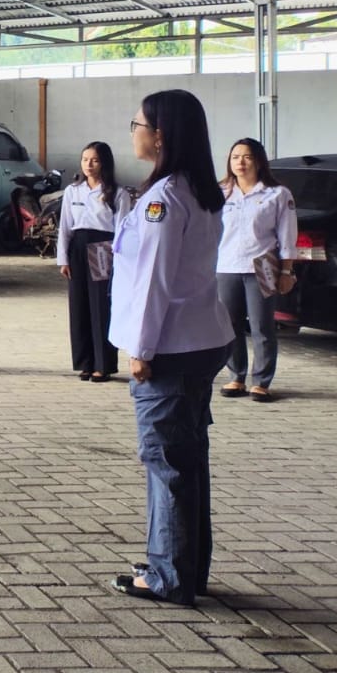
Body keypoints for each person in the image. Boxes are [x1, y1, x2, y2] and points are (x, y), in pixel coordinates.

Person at [108, 89, 234, 606]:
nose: (133, 132)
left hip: (171, 347)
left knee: (168, 463)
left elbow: (153, 280)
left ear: (159, 135)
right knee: (188, 458)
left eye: (137, 124)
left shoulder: (165, 198)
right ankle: (186, 566)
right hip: (201, 339)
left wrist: (141, 348)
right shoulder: (197, 190)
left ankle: (170, 577)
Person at [216, 138, 298, 403]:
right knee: (229, 325)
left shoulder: (277, 194)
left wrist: (286, 271)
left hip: (262, 267)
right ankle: (236, 376)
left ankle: (261, 381)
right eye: (235, 157)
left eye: (247, 156)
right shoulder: (220, 192)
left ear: (259, 161)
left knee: (262, 325)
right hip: (226, 266)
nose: (240, 162)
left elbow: (287, 236)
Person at [56, 142, 134, 383]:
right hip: (78, 248)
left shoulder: (117, 193)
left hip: (103, 249)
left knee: (101, 307)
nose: (88, 165)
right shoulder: (73, 191)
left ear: (105, 163)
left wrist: (118, 260)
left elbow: (122, 230)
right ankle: (85, 363)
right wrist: (63, 258)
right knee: (79, 306)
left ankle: (103, 364)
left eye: (95, 160)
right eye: (85, 159)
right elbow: (65, 227)